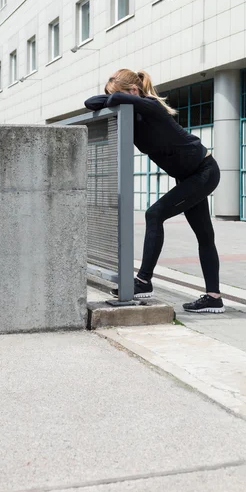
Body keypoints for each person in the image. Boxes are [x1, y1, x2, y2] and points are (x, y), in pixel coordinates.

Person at [84, 69, 224, 314]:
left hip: (204, 171)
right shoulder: (135, 112)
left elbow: (114, 100)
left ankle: (144, 280)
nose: (115, 100)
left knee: (154, 214)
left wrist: (115, 97)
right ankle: (214, 298)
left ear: (134, 91)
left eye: (121, 94)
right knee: (204, 235)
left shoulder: (151, 106)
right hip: (188, 176)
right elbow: (91, 103)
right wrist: (112, 95)